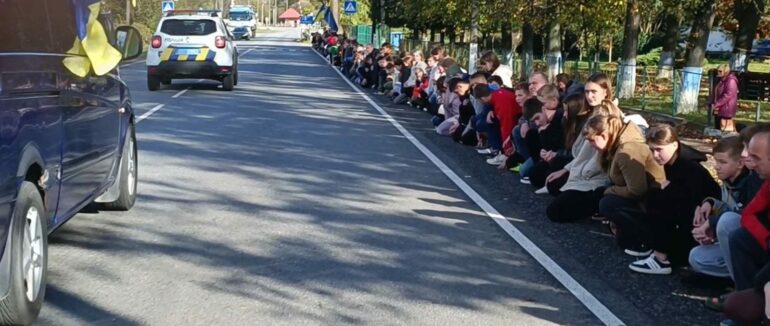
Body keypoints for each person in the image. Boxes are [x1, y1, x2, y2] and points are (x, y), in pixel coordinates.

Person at [628, 124, 720, 275]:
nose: (655, 155)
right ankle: (657, 247)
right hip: (695, 211)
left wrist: (704, 203)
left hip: (704, 217)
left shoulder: (688, 166)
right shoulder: (674, 161)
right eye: (652, 150)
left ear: (675, 145)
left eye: (659, 150)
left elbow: (703, 192)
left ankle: (661, 257)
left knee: (660, 200)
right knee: (656, 196)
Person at [589, 104, 666, 256]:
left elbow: (637, 189)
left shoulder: (627, 150)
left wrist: (610, 191)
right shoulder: (615, 146)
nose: (591, 146)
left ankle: (644, 240)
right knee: (601, 194)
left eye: (592, 140)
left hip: (653, 201)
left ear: (604, 135)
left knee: (608, 202)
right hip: (644, 197)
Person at [689, 136, 762, 280]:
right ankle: (739, 278)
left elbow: (740, 216)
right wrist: (710, 204)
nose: (716, 166)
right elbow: (727, 207)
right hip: (737, 245)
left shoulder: (751, 183)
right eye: (716, 161)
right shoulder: (728, 182)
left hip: (754, 246)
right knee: (696, 257)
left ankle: (742, 288)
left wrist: (713, 222)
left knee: (727, 221)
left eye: (722, 162)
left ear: (740, 163)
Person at [545, 94, 609, 222]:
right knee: (551, 181)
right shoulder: (582, 122)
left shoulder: (604, 120)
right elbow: (578, 154)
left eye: (593, 91)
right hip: (582, 170)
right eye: (587, 92)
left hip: (594, 179)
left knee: (556, 210)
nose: (590, 96)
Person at [529, 85, 566, 191]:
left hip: (563, 157)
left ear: (554, 101)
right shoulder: (550, 114)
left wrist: (556, 153)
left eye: (544, 104)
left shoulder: (560, 115)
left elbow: (562, 143)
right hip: (555, 155)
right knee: (532, 173)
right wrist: (544, 153)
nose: (543, 107)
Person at [711, 63, 739, 133]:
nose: (718, 73)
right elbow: (716, 93)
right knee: (717, 127)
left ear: (726, 71)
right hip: (719, 108)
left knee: (725, 129)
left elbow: (728, 95)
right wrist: (712, 102)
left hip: (727, 108)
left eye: (720, 71)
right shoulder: (721, 80)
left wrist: (717, 104)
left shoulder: (731, 81)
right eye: (718, 71)